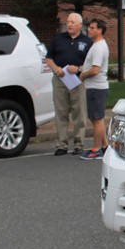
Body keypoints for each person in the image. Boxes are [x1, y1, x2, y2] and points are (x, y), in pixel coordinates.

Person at [45, 13, 93, 156]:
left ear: (80, 24)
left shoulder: (87, 42)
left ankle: (79, 143)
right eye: (68, 22)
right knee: (61, 112)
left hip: (77, 80)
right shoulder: (59, 39)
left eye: (72, 22)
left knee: (79, 112)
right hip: (60, 79)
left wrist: (78, 68)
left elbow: (91, 63)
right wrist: (56, 69)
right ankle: (61, 144)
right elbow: (48, 58)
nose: (69, 24)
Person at [79, 19, 110, 160]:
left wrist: (82, 75)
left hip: (96, 87)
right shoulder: (97, 45)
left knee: (96, 119)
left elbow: (95, 70)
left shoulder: (98, 47)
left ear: (100, 30)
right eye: (89, 28)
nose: (89, 30)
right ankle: (105, 146)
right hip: (94, 87)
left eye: (92, 28)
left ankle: (96, 149)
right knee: (98, 119)